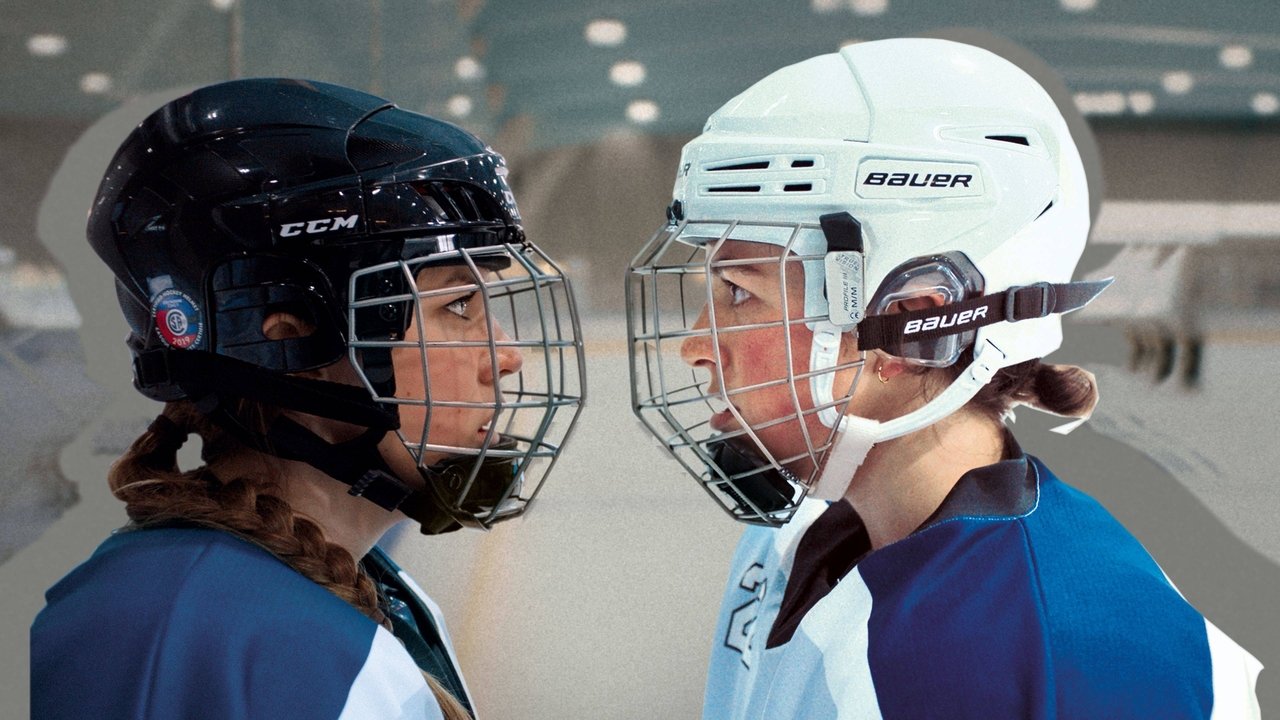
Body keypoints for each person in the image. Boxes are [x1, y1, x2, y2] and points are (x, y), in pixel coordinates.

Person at [626, 38, 1262, 718]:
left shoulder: (1065, 663)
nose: (695, 343)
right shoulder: (796, 529)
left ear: (909, 330)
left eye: (738, 294)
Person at [31, 78, 585, 719]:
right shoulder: (265, 648)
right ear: (295, 347)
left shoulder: (369, 593)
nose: (508, 357)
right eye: (458, 305)